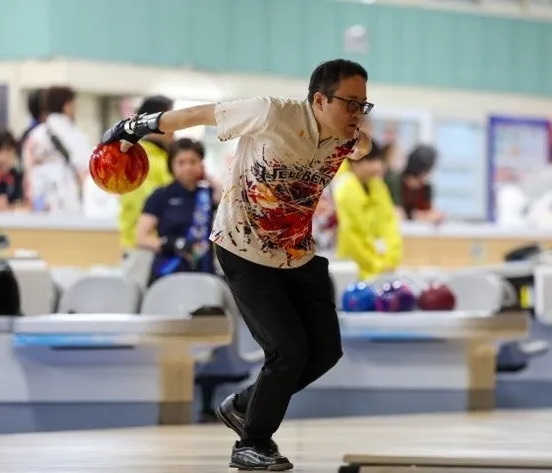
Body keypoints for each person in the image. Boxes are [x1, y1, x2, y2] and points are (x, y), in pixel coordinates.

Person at [101, 58, 372, 471]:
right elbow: (201, 114)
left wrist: (360, 139)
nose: (357, 113)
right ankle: (253, 443)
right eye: (350, 103)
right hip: (244, 249)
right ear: (319, 100)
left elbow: (363, 147)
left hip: (297, 254)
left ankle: (244, 406)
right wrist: (136, 126)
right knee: (288, 351)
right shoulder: (272, 113)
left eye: (363, 105)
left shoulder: (346, 136)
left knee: (325, 352)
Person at [135, 138, 214, 286]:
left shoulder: (207, 193)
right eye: (181, 162)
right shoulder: (161, 195)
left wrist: (206, 176)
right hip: (168, 272)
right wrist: (170, 243)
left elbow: (227, 196)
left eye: (193, 161)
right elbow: (141, 238)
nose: (187, 167)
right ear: (171, 165)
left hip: (203, 272)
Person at [334, 139, 402, 280]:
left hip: (383, 270)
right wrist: (376, 265)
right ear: (354, 161)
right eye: (371, 161)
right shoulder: (344, 190)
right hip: (352, 269)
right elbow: (352, 235)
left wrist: (390, 261)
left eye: (378, 160)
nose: (377, 166)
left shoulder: (378, 185)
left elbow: (389, 223)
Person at [119, 95, 176, 254]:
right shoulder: (140, 159)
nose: (175, 128)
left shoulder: (164, 157)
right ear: (153, 123)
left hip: (156, 246)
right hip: (142, 248)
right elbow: (148, 205)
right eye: (171, 121)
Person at [398, 144, 445, 223]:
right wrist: (414, 215)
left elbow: (428, 212)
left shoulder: (426, 188)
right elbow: (397, 212)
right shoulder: (397, 182)